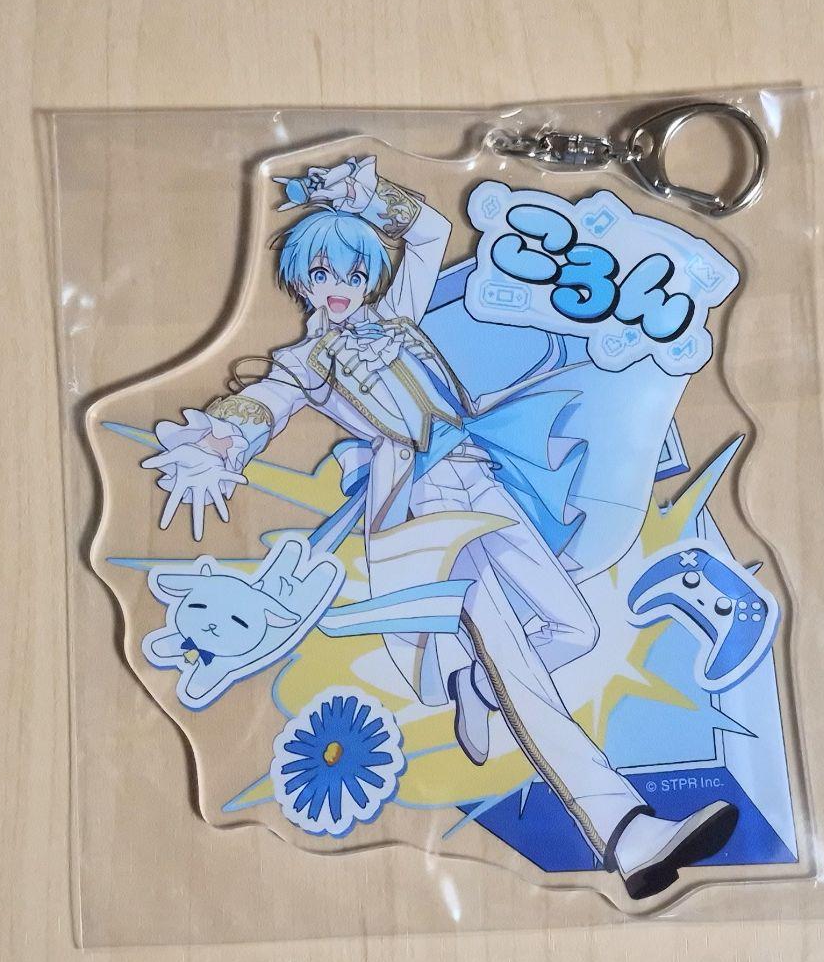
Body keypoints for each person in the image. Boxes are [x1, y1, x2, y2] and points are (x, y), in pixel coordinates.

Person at [142, 156, 737, 899]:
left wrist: (364, 194)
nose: (337, 285)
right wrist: (220, 441)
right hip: (417, 505)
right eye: (320, 273)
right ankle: (627, 832)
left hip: (480, 475)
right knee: (516, 659)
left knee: (574, 628)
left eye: (351, 270)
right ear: (301, 281)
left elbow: (427, 230)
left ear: (369, 273)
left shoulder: (397, 315)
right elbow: (265, 402)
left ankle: (471, 681)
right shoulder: (305, 360)